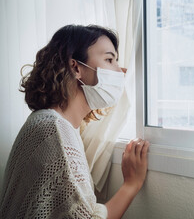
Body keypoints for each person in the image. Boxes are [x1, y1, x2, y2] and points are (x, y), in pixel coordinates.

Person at [0, 24, 149, 219]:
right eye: (109, 59)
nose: (121, 70)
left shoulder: (48, 122)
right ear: (76, 67)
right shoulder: (55, 132)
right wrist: (131, 185)